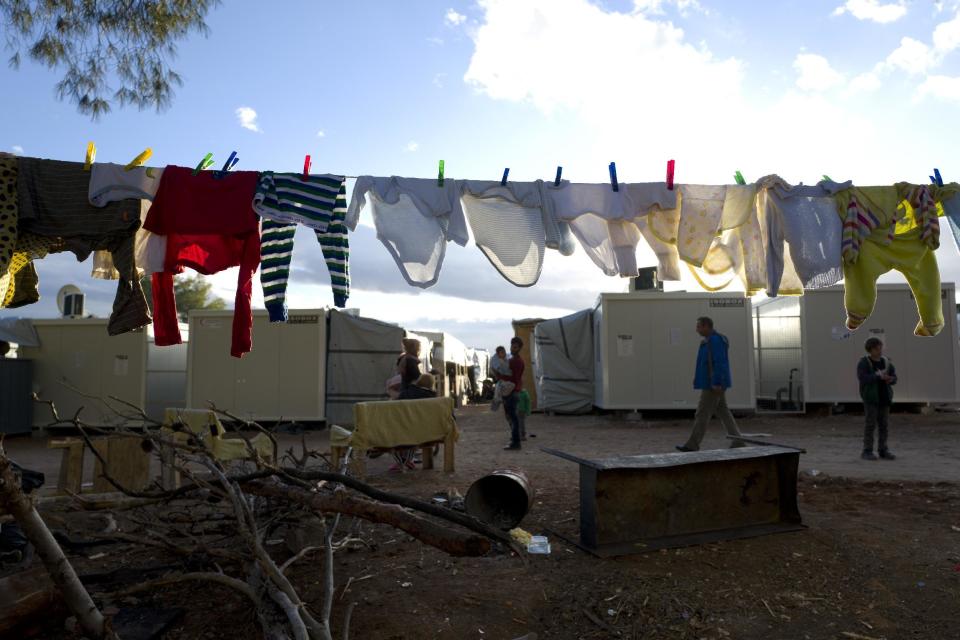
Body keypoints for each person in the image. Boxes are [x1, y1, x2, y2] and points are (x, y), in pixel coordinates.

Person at [677, 317, 744, 452]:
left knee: (702, 413)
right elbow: (707, 363)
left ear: (707, 326)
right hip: (713, 382)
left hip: (713, 384)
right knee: (723, 411)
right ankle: (738, 441)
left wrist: (717, 382)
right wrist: (699, 378)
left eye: (699, 327)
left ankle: (693, 444)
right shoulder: (711, 341)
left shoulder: (714, 341)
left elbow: (719, 362)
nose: (697, 330)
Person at [858, 337, 897, 461]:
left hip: (884, 397)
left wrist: (891, 379)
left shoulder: (886, 362)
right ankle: (867, 451)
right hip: (871, 398)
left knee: (883, 425)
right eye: (876, 348)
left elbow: (894, 377)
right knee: (870, 424)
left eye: (880, 347)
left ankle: (883, 450)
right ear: (870, 350)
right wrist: (876, 376)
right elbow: (863, 378)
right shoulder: (864, 362)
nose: (879, 350)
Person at [500, 337, 525, 450]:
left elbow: (512, 377)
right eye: (511, 346)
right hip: (514, 391)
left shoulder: (515, 361)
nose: (512, 348)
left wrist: (499, 374)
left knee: (512, 418)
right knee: (512, 417)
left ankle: (516, 442)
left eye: (515, 347)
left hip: (511, 391)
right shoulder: (518, 360)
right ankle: (515, 439)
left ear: (519, 348)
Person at [489, 346, 515, 410]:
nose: (504, 353)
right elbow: (498, 371)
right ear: (498, 354)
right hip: (501, 378)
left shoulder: (507, 358)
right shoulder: (496, 360)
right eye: (502, 352)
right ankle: (497, 401)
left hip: (508, 378)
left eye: (504, 352)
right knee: (499, 387)